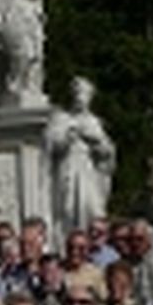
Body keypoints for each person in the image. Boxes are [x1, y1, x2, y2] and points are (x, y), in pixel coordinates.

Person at [45, 76, 117, 235]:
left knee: (92, 209)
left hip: (89, 172)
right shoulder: (61, 118)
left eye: (84, 94)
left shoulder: (94, 122)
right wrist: (67, 139)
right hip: (68, 170)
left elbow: (107, 152)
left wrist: (96, 144)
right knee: (68, 210)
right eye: (77, 94)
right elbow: (51, 146)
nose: (80, 98)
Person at [62, 228, 107, 302]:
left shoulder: (96, 274)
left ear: (88, 250)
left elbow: (103, 300)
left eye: (81, 248)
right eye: (71, 247)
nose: (75, 252)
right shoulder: (57, 270)